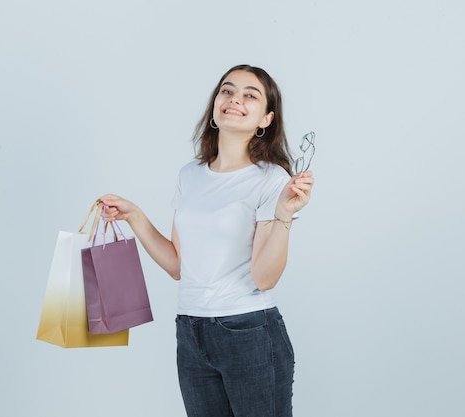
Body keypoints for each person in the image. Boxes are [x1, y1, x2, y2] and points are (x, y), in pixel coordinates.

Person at [101, 64, 314, 417]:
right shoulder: (191, 175)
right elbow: (177, 266)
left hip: (248, 331)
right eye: (227, 91)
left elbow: (264, 278)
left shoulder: (272, 180)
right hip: (190, 329)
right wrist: (135, 216)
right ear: (215, 105)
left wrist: (284, 215)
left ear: (266, 119)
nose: (235, 99)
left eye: (250, 95)